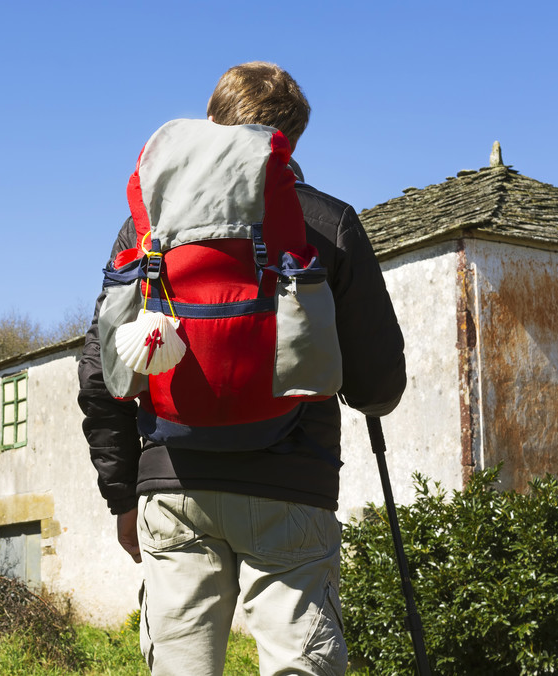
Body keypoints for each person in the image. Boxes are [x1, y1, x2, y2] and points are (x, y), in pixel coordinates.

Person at [76, 62, 407, 676]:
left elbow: (102, 372)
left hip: (172, 485)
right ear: (292, 139)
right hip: (289, 483)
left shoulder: (147, 226)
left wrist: (123, 493)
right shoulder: (327, 222)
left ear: (209, 121)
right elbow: (377, 384)